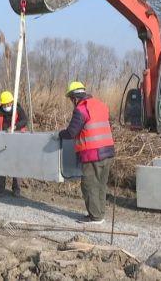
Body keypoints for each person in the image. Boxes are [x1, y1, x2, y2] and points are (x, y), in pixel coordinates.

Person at [58, 81, 115, 224]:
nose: (72, 102)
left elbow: (71, 132)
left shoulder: (81, 109)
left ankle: (95, 217)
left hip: (92, 154)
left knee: (89, 185)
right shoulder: (100, 105)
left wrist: (59, 135)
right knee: (101, 184)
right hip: (108, 151)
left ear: (75, 98)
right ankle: (99, 214)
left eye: (71, 100)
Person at [0, 91, 28, 197]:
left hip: (17, 141)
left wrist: (15, 127)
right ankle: (0, 188)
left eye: (9, 104)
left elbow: (24, 121)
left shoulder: (18, 109)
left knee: (15, 164)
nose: (7, 106)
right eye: (5, 104)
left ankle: (16, 189)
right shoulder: (0, 111)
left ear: (12, 102)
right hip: (3, 141)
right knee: (1, 164)